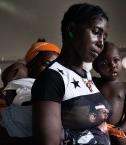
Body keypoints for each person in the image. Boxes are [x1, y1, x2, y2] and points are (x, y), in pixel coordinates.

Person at [31, 3, 110, 145]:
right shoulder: (52, 78)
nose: (101, 43)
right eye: (96, 32)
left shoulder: (86, 75)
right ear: (71, 29)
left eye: (104, 37)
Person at [0, 40, 61, 145]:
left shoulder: (59, 90)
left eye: (56, 67)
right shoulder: (6, 92)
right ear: (31, 65)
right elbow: (0, 134)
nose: (51, 70)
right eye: (45, 64)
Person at [92, 41, 126, 145]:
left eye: (116, 60)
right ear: (96, 67)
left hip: (117, 130)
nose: (112, 65)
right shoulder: (93, 83)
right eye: (105, 62)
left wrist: (122, 129)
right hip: (98, 130)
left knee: (121, 142)